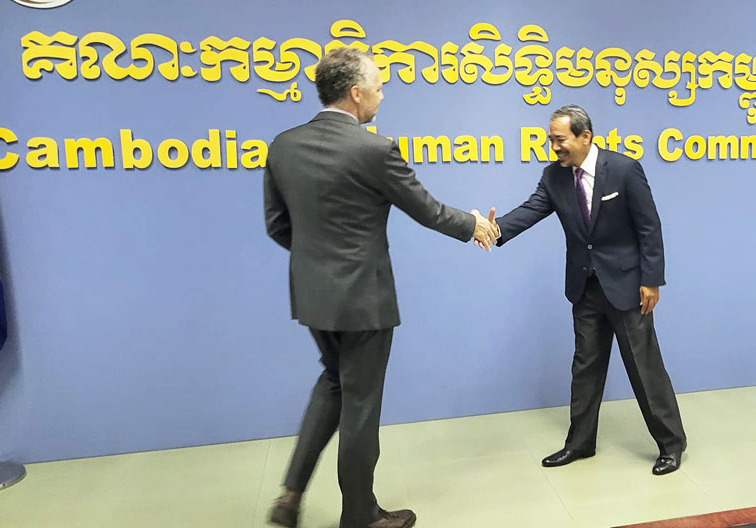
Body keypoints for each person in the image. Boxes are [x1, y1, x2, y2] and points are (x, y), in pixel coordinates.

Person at [264, 47, 497, 528]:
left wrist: (320, 262)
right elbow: (428, 210)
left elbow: (277, 226)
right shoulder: (373, 149)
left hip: (312, 295)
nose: (382, 94)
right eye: (378, 85)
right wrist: (473, 224)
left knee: (334, 382)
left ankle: (290, 495)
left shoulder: (283, 145)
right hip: (363, 300)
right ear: (355, 93)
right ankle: (360, 515)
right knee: (361, 404)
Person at [489, 105, 687, 476]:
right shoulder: (554, 176)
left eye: (560, 139)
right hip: (585, 287)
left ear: (585, 136)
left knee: (644, 369)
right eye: (551, 140)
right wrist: (494, 230)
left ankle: (671, 445)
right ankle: (580, 444)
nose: (554, 147)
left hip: (628, 287)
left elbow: (649, 228)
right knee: (585, 368)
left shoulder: (625, 170)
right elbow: (532, 209)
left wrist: (651, 280)